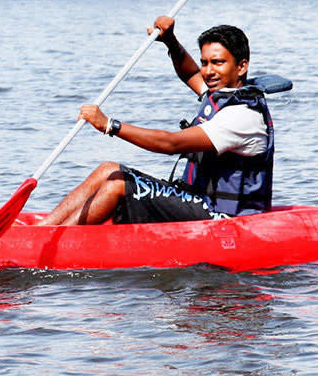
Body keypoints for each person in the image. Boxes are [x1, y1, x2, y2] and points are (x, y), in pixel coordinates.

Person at [36, 17, 273, 226]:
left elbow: (171, 144)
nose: (208, 71)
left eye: (217, 62)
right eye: (205, 62)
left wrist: (110, 125)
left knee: (117, 183)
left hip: (224, 217)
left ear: (241, 67)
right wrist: (170, 41)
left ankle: (48, 239)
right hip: (197, 199)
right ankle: (43, 230)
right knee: (108, 169)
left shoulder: (242, 116)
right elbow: (190, 74)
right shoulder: (220, 93)